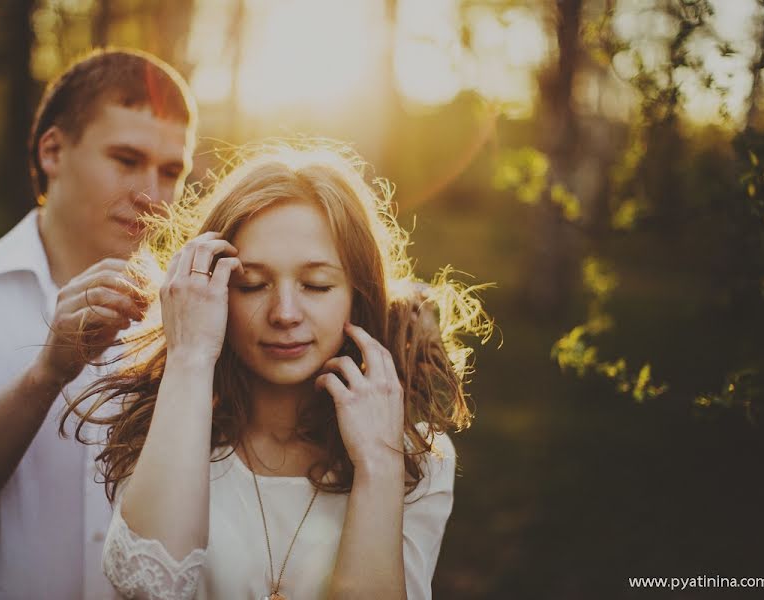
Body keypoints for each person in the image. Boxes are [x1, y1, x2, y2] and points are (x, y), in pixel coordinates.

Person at [64, 145, 493, 599]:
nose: (285, 313)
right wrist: (190, 358)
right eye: (251, 285)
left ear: (358, 293)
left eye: (316, 285)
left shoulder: (416, 455)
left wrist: (379, 465)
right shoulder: (162, 415)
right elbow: (147, 584)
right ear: (213, 289)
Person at [0, 48, 196, 599]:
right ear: (53, 150)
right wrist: (45, 374)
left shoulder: (194, 315)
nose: (153, 195)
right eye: (126, 158)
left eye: (171, 171)